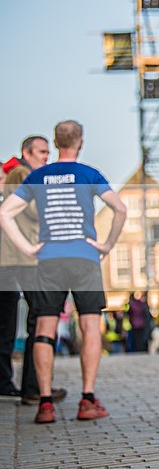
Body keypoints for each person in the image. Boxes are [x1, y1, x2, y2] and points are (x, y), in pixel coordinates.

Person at [0, 120, 127, 423]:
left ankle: (44, 403)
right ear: (80, 142)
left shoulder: (39, 176)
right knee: (90, 327)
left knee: (44, 328)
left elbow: (5, 213)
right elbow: (120, 209)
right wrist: (107, 244)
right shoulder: (89, 174)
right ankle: (87, 399)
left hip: (49, 259)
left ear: (56, 144)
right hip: (84, 258)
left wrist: (29, 248)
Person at [0, 136, 68, 404]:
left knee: (10, 318)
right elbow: (29, 212)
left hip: (15, 258)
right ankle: (34, 387)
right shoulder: (21, 174)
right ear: (26, 152)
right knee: (39, 316)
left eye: (48, 152)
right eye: (41, 152)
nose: (46, 157)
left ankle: (14, 382)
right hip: (22, 258)